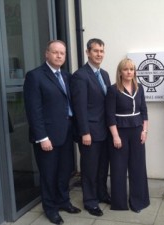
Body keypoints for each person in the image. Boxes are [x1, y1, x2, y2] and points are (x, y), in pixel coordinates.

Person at [23, 40, 81, 225]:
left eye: (62, 53)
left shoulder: (66, 76)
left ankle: (64, 201)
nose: (59, 56)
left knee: (64, 172)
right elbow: (34, 110)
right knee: (48, 175)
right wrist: (42, 137)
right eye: (55, 52)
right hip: (47, 136)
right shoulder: (35, 76)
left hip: (66, 133)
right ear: (46, 54)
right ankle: (50, 208)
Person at [70, 38, 111, 216]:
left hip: (105, 131)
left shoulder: (105, 75)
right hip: (90, 133)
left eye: (101, 51)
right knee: (90, 169)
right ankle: (90, 201)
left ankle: (102, 194)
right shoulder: (80, 75)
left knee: (103, 167)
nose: (99, 54)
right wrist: (84, 132)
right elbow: (79, 108)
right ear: (87, 52)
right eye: (95, 51)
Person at [106, 58, 150, 213]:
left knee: (138, 167)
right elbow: (110, 116)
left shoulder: (140, 88)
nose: (129, 72)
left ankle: (138, 201)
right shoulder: (113, 90)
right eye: (126, 69)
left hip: (137, 130)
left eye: (131, 69)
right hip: (120, 132)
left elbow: (144, 111)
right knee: (118, 167)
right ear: (120, 72)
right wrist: (115, 136)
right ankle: (119, 203)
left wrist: (144, 131)